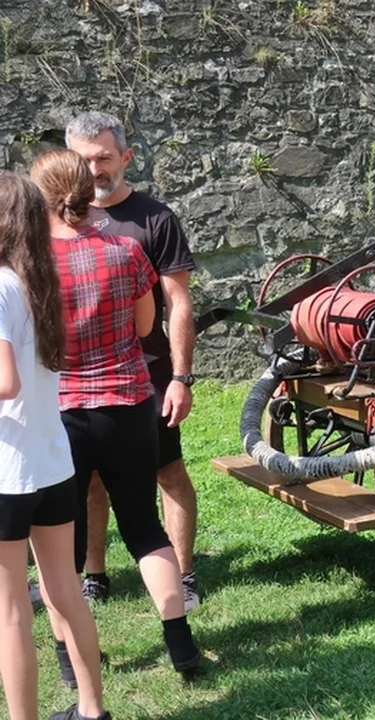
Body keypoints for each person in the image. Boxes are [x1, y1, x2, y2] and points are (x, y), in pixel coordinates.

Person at [31, 149, 200, 680]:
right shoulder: (128, 250)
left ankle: (70, 663)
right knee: (147, 531)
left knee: (63, 549)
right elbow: (146, 323)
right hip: (128, 405)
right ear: (87, 191)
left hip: (62, 415)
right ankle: (182, 647)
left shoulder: (30, 265)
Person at [65, 111, 201, 612]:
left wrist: (181, 377)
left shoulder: (155, 218)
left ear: (125, 157)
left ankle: (184, 575)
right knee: (91, 480)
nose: (94, 169)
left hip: (148, 373)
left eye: (103, 157)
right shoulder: (59, 223)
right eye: (83, 159)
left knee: (168, 471)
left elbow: (178, 302)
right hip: (79, 379)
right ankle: (94, 574)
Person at [0, 170, 111, 720]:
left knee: (12, 612)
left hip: (8, 472)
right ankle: (92, 711)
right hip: (51, 463)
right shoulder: (39, 283)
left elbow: (4, 382)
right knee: (64, 590)